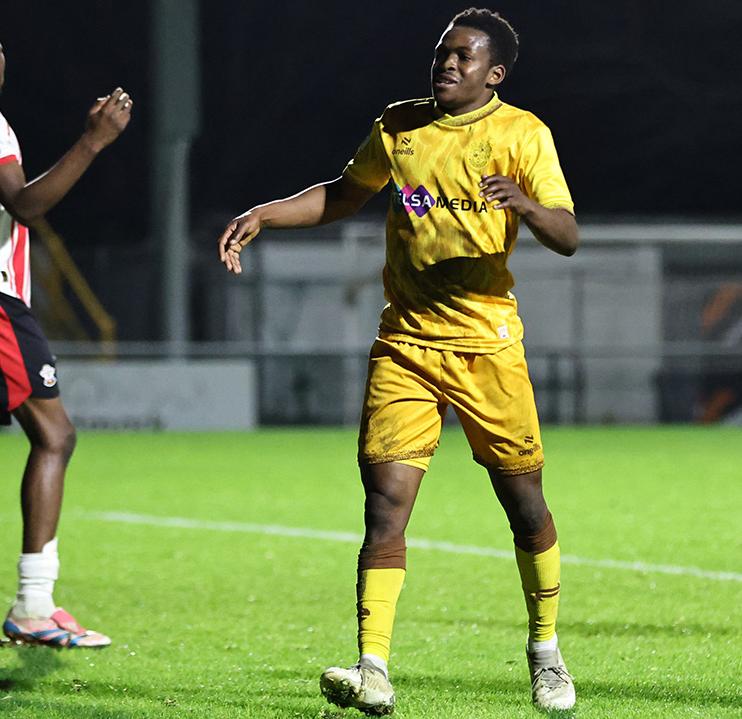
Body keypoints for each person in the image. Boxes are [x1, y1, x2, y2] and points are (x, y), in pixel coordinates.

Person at [217, 8, 578, 714]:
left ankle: (546, 653)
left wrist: (526, 206)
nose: (447, 63)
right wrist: (266, 212)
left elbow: (567, 233)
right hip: (406, 345)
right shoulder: (399, 126)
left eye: (464, 56)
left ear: (495, 74)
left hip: (488, 347)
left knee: (525, 505)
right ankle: (373, 667)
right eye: (443, 52)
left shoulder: (523, 134)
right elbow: (343, 194)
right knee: (385, 504)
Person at [0, 12, 131, 649]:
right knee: (55, 435)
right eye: (1, 49)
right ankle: (34, 606)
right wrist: (93, 141)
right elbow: (25, 204)